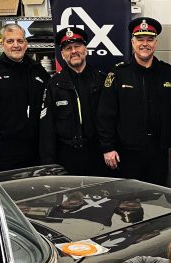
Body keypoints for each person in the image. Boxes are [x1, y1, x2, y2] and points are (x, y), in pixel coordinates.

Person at [97, 17, 171, 185]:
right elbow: (106, 113)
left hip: (158, 153)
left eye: (149, 39)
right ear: (132, 42)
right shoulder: (119, 73)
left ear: (155, 43)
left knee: (156, 198)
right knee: (129, 203)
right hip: (127, 153)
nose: (145, 44)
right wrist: (107, 147)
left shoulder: (167, 72)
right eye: (140, 39)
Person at [0, 23, 50, 171]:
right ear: (2, 44)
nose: (16, 45)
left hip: (35, 148)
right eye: (10, 41)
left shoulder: (37, 70)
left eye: (20, 41)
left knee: (36, 191)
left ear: (26, 44)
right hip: (5, 149)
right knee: (9, 191)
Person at [39, 27, 107, 175]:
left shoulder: (102, 80)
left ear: (86, 49)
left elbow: (111, 119)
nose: (74, 51)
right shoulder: (54, 85)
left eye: (77, 46)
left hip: (99, 154)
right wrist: (49, 164)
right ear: (62, 54)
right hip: (67, 157)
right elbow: (47, 128)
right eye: (68, 48)